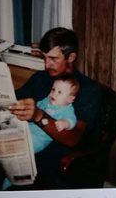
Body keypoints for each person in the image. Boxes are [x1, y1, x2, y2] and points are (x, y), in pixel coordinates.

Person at [9, 27, 102, 188]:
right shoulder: (40, 78)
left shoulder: (88, 90)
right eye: (44, 58)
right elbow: (14, 100)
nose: (46, 65)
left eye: (53, 58)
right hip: (23, 144)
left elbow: (73, 139)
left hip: (55, 159)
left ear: (71, 57)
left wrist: (39, 116)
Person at [29, 76, 80, 154]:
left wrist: (66, 123)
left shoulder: (67, 110)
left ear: (70, 99)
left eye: (59, 92)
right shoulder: (47, 100)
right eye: (53, 89)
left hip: (40, 138)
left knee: (29, 145)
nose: (54, 94)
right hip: (29, 128)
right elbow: (38, 105)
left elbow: (72, 119)